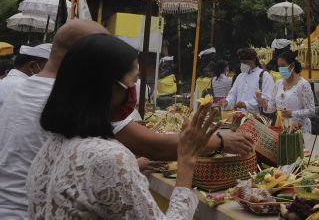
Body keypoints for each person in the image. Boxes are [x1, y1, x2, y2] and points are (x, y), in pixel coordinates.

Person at [0, 20, 252, 219]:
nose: (133, 91)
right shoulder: (107, 156)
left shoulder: (52, 145)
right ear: (101, 80)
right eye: (132, 82)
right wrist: (186, 160)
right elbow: (149, 146)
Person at [256, 51, 315, 134]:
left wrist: (293, 113)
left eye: (283, 65)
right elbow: (272, 108)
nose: (280, 69)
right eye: (279, 66)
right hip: (280, 128)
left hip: (298, 129)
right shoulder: (278, 84)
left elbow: (311, 110)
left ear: (292, 65)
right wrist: (264, 105)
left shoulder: (303, 85)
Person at [223, 48, 274, 112]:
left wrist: (246, 104)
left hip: (256, 117)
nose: (244, 65)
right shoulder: (240, 76)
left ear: (254, 60)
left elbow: (266, 98)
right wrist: (227, 101)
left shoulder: (265, 76)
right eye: (242, 62)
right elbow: (232, 94)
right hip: (238, 116)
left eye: (246, 62)